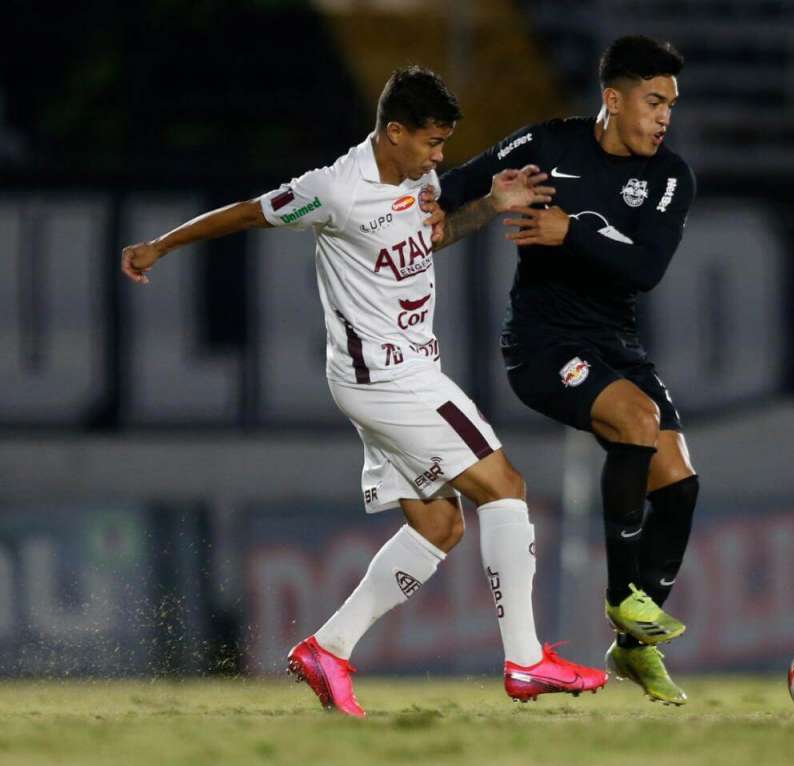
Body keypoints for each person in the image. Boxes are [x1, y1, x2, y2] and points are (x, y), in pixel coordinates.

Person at [121, 66, 606, 717]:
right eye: (431, 143)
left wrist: (488, 207)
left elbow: (431, 238)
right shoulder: (335, 190)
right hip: (389, 378)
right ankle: (525, 660)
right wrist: (158, 246)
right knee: (506, 487)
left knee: (438, 526)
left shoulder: (418, 179)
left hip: (395, 373)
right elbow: (246, 213)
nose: (439, 159)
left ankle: (329, 647)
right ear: (394, 131)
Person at [434, 36, 699, 706]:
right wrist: (441, 211)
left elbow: (646, 269)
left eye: (671, 102)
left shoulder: (671, 177)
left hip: (616, 343)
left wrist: (568, 231)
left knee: (680, 482)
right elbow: (453, 186)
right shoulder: (550, 146)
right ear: (613, 99)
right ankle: (622, 601)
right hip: (542, 343)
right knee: (637, 421)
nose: (665, 115)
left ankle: (633, 650)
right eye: (653, 100)